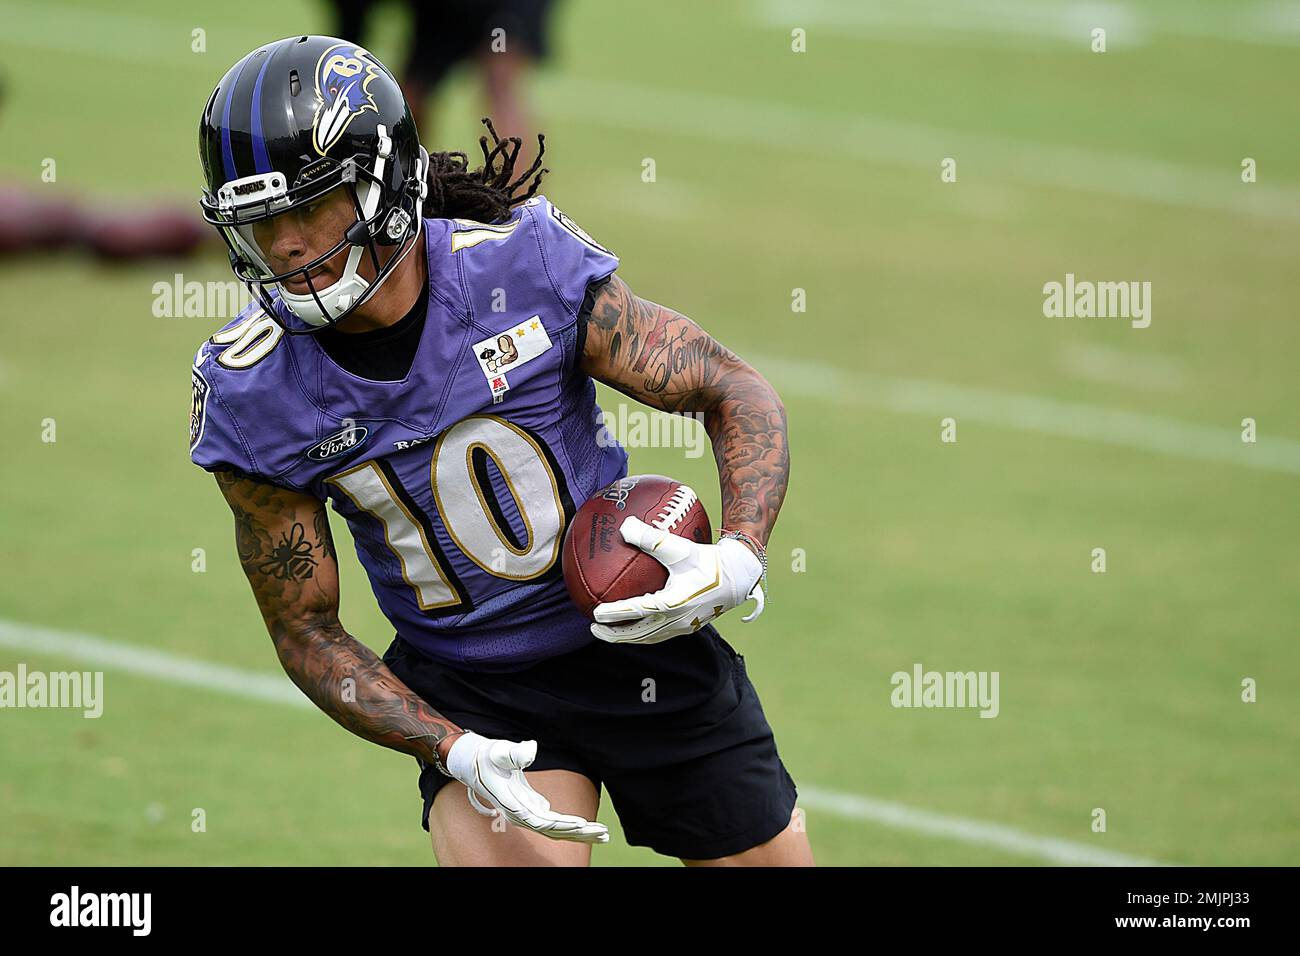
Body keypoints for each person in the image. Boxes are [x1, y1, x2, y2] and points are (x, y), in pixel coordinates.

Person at [190, 35, 811, 866]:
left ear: (384, 185)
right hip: (468, 683)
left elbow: (731, 389)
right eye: (260, 222)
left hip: (638, 635)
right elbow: (305, 628)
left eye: (308, 207)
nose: (286, 246)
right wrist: (448, 747)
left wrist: (738, 553)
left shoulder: (523, 269)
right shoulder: (253, 390)